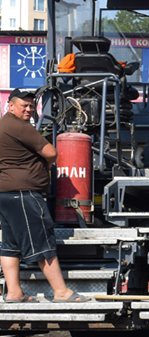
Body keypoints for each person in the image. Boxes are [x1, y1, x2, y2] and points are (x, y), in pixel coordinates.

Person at [0, 89, 90, 302]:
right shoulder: (19, 126)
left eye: (32, 106)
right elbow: (51, 152)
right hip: (24, 193)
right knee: (42, 242)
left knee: (10, 245)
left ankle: (13, 292)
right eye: (24, 106)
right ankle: (61, 292)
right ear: (11, 105)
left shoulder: (3, 125)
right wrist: (45, 165)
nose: (29, 110)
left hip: (5, 193)